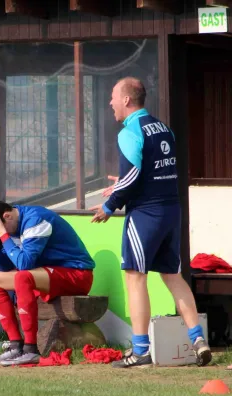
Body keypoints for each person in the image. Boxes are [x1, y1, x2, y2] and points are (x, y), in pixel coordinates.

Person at [90, 77, 211, 368]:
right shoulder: (163, 128)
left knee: (134, 276)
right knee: (172, 276)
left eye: (113, 97)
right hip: (171, 211)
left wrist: (109, 205)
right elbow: (154, 171)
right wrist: (124, 182)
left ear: (127, 101)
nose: (110, 103)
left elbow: (132, 177)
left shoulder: (130, 131)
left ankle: (141, 351)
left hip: (145, 213)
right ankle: (198, 339)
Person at [0, 199, 95, 366]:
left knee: (22, 277)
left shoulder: (36, 219)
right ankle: (15, 346)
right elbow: (5, 266)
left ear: (7, 216)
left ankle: (31, 349)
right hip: (47, 274)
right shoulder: (10, 225)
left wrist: (3, 234)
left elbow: (25, 265)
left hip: (77, 274)